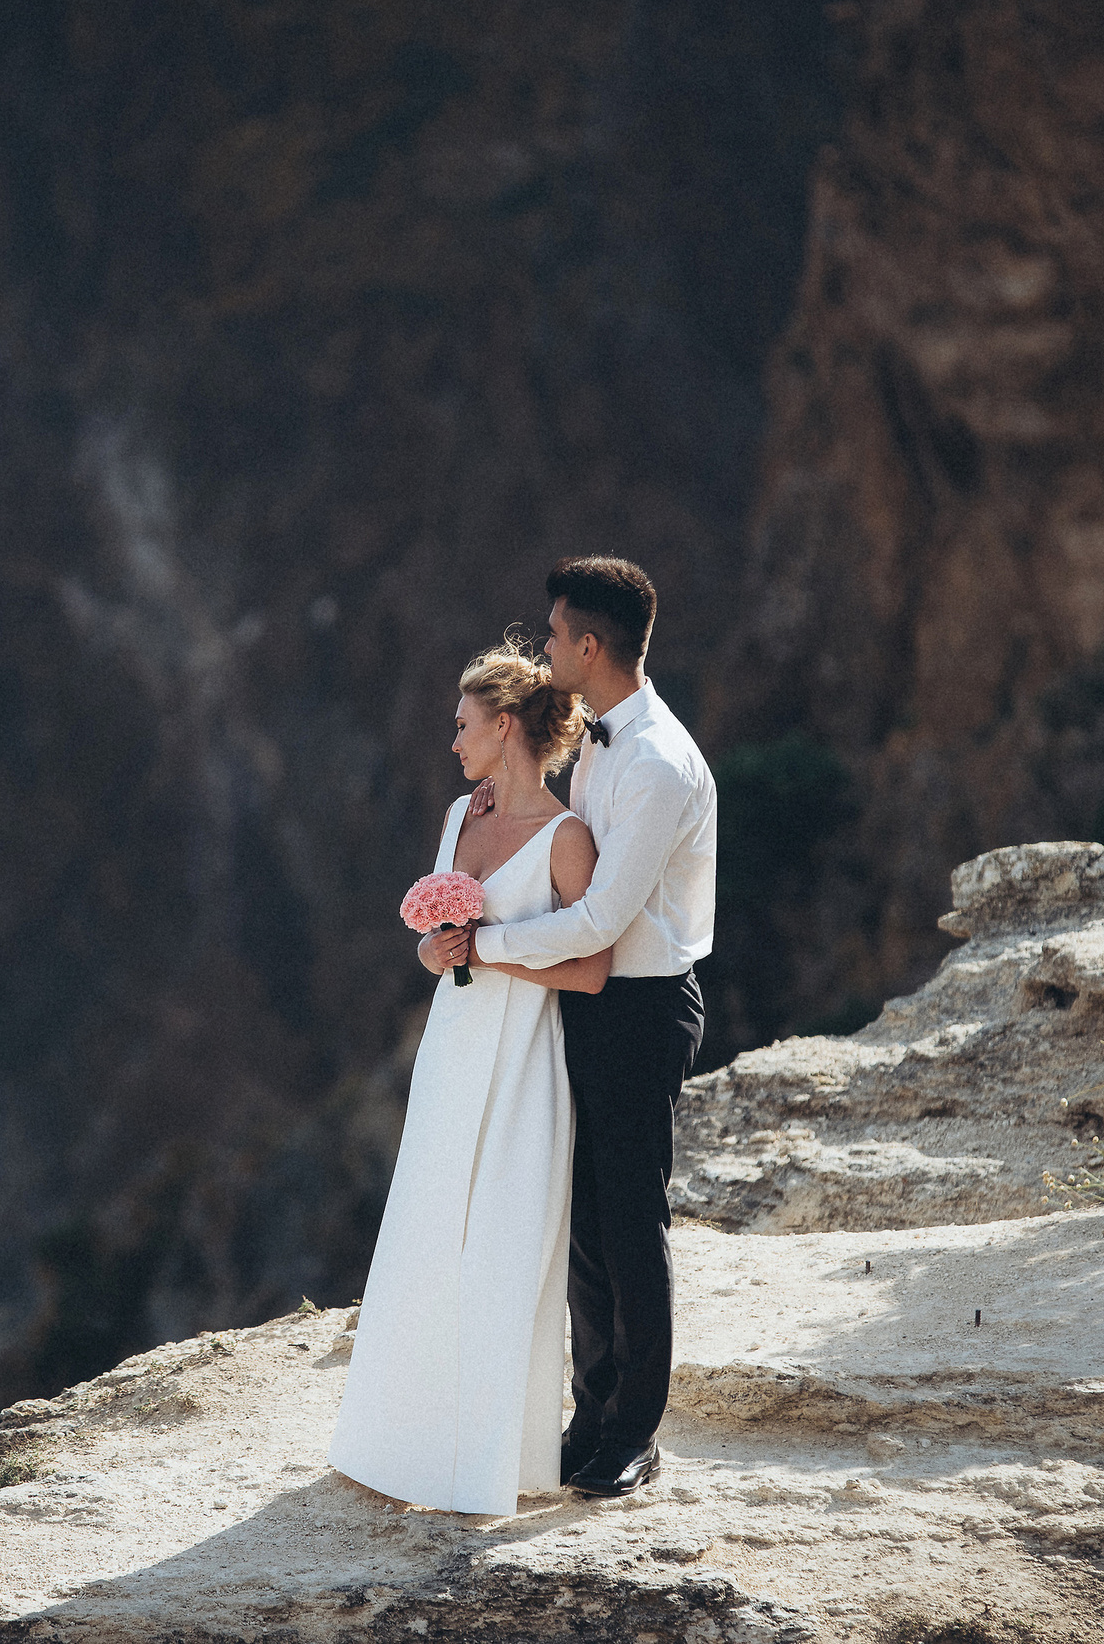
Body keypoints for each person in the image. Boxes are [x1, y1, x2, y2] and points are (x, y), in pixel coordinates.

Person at [327, 639, 611, 1515]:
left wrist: (488, 950)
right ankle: (395, 1444)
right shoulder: (462, 813)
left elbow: (592, 970)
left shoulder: (567, 839)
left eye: (462, 725)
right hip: (453, 1049)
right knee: (423, 1233)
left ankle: (487, 1462)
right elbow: (429, 951)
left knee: (501, 1248)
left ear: (504, 724)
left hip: (527, 1060)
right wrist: (433, 946)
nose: (452, 741)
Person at [458, 555, 715, 1498]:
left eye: (557, 632)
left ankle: (635, 1432)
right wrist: (502, 801)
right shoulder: (602, 742)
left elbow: (604, 920)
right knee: (585, 1227)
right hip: (584, 1001)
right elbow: (551, 819)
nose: (548, 643)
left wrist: (488, 942)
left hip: (642, 1007)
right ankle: (591, 1412)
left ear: (591, 645)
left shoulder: (654, 761)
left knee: (630, 1222)